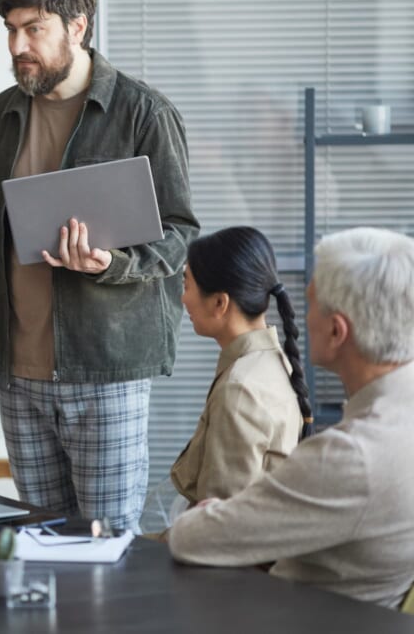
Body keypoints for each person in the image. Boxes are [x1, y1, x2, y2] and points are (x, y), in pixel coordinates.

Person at [0, 0, 199, 531]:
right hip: (17, 376)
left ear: (77, 27)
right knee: (40, 543)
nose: (17, 45)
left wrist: (112, 264)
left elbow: (180, 236)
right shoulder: (3, 113)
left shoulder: (142, 113)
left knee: (105, 549)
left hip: (107, 372)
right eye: (10, 29)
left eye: (34, 28)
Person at [169, 227, 414, 608]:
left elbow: (192, 538)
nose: (301, 314)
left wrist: (213, 514)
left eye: (311, 302)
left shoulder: (352, 456)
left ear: (336, 331)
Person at [169, 226, 313, 506]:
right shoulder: (273, 360)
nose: (182, 298)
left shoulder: (240, 388)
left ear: (220, 303)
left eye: (186, 285)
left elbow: (220, 526)